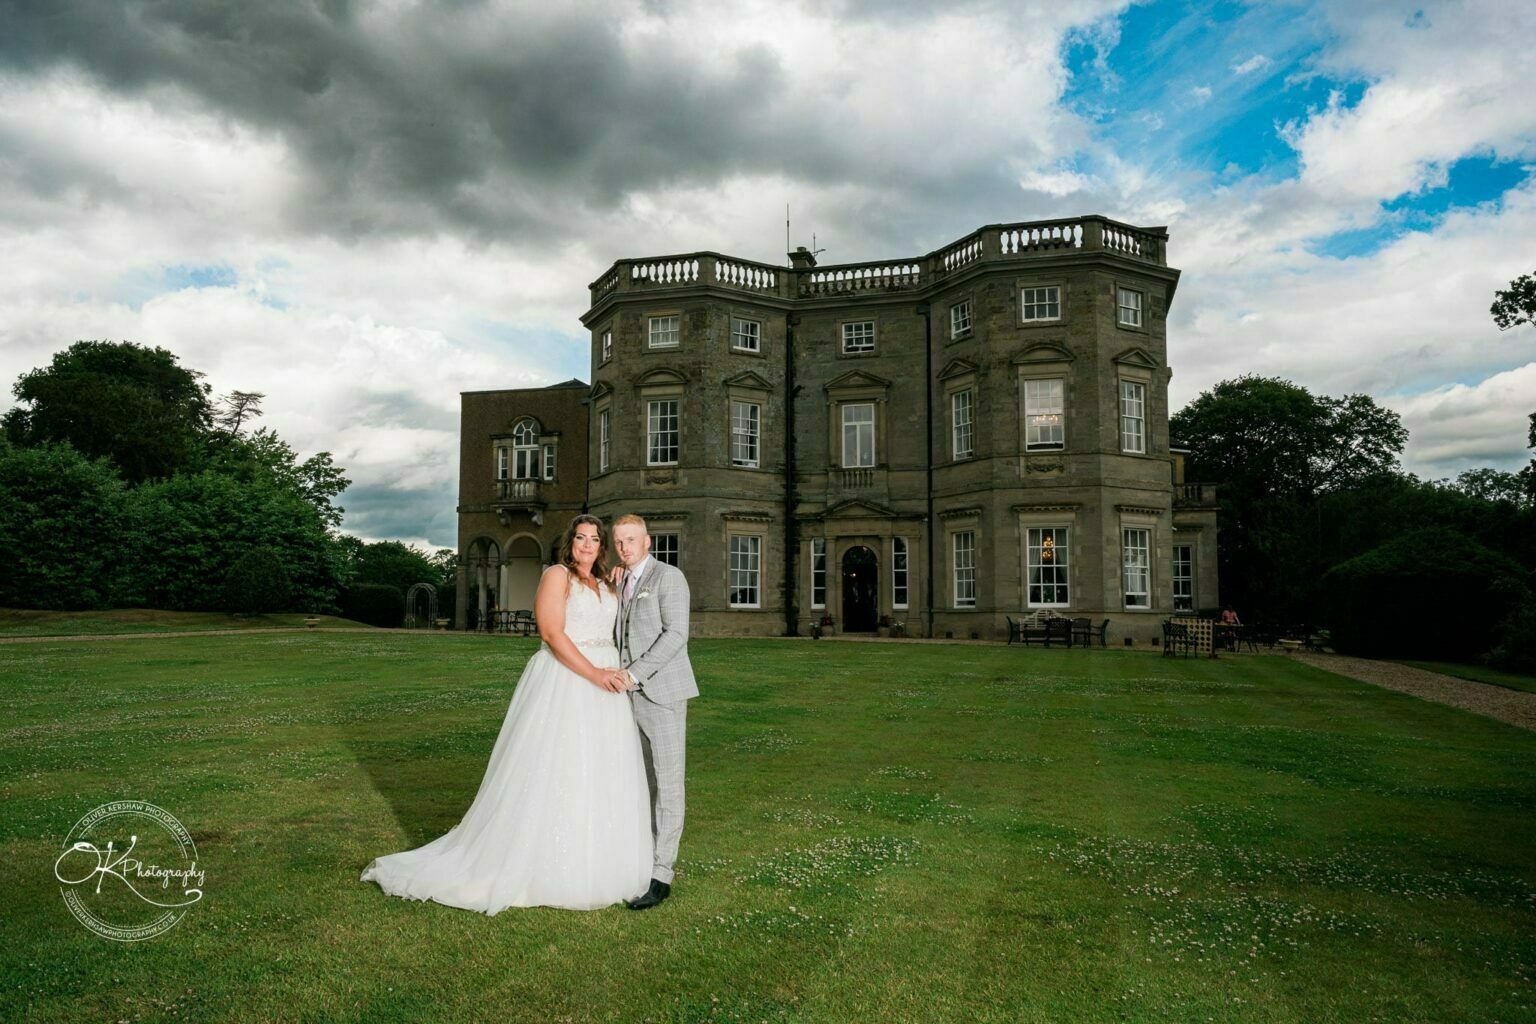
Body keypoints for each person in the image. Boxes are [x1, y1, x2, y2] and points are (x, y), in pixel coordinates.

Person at [359, 515, 651, 913]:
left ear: (603, 547)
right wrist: (595, 674)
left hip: (607, 685)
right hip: (568, 678)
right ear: (570, 543)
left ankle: (600, 860)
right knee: (557, 766)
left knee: (600, 769)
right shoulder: (556, 575)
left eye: (594, 539)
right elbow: (550, 633)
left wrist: (608, 670)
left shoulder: (607, 582)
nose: (586, 545)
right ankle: (539, 862)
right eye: (580, 538)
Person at [610, 513, 699, 911]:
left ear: (648, 541)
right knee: (636, 782)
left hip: (661, 694)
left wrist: (634, 674)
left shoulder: (669, 577)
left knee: (668, 784)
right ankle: (639, 858)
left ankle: (662, 874)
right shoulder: (620, 581)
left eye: (632, 539)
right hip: (624, 700)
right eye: (619, 541)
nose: (625, 547)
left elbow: (677, 634)